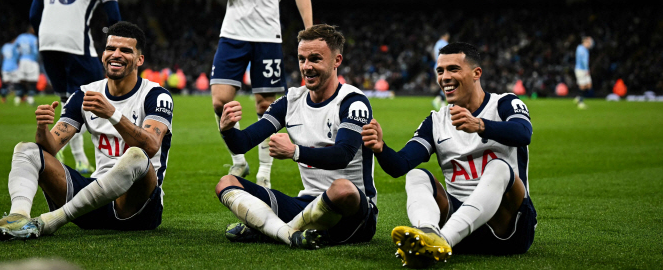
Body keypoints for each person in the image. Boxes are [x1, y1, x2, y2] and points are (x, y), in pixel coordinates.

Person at [0, 21, 173, 241]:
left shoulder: (156, 96)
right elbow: (50, 148)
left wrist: (113, 114)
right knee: (26, 150)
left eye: (126, 50)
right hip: (92, 203)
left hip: (137, 208)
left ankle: (50, 222)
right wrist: (42, 130)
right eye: (110, 49)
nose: (116, 54)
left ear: (140, 59)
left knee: (136, 156)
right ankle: (18, 217)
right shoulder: (84, 94)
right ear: (103, 54)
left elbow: (151, 146)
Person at [362, 42, 536, 267]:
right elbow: (400, 166)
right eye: (440, 71)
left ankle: (442, 240)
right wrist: (380, 148)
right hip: (461, 225)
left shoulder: (504, 104)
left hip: (508, 228)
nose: (444, 77)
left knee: (499, 167)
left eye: (453, 69)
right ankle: (428, 232)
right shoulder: (436, 121)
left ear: (476, 73)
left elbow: (523, 133)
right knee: (417, 176)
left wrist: (481, 125)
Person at [215, 24, 377, 249]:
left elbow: (343, 155)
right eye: (302, 59)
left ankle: (270, 228)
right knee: (226, 183)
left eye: (315, 59)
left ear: (337, 61)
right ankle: (288, 233)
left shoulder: (353, 102)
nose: (306, 67)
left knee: (342, 188)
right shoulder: (291, 100)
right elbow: (243, 143)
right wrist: (228, 130)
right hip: (306, 203)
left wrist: (295, 152)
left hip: (353, 212)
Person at [205, 0, 313, 187]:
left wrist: (308, 30)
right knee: (219, 102)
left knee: (266, 106)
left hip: (268, 35)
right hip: (233, 33)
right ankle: (240, 160)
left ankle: (265, 173)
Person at [29, 0, 122, 174]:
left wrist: (47, 35)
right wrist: (116, 44)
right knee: (94, 97)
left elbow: (33, 14)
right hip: (75, 43)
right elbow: (113, 15)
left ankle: (74, 155)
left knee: (67, 100)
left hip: (47, 42)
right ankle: (96, 159)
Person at [14, 27, 40, 106]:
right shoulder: (33, 38)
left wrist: (17, 58)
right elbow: (35, 51)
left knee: (21, 79)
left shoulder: (20, 37)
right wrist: (37, 59)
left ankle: (18, 97)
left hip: (22, 60)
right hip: (31, 60)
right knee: (32, 80)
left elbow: (15, 48)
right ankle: (30, 98)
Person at [432, 31, 450, 110]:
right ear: (444, 36)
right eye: (447, 36)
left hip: (437, 66)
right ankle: (438, 100)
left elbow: (433, 54)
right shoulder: (445, 44)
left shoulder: (437, 44)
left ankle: (442, 103)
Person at [574, 36, 594, 109]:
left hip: (584, 69)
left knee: (589, 85)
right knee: (582, 86)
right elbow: (583, 61)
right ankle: (580, 102)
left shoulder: (585, 49)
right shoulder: (580, 48)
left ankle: (578, 97)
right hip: (581, 69)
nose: (590, 45)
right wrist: (586, 69)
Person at [0, 38, 20, 103]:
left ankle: (3, 98)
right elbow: (18, 57)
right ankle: (18, 98)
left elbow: (2, 56)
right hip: (13, 67)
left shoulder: (5, 46)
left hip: (5, 67)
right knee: (17, 83)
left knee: (5, 83)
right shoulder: (16, 48)